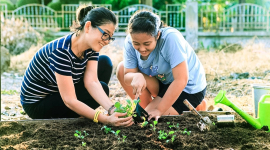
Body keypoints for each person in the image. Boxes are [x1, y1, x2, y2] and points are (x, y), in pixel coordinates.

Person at [20, 6, 133, 127]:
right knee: (103, 88)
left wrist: (112, 109)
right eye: (105, 34)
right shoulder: (61, 51)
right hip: (38, 104)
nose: (107, 41)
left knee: (104, 63)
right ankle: (79, 113)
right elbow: (70, 100)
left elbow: (92, 82)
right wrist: (103, 119)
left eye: (110, 37)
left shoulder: (91, 47)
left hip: (58, 92)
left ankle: (81, 112)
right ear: (88, 26)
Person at [116, 10, 207, 121]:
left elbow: (181, 79)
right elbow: (126, 75)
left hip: (188, 87)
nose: (142, 48)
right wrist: (135, 76)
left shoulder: (171, 39)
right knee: (121, 68)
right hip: (163, 81)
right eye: (136, 43)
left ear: (157, 35)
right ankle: (149, 107)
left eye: (147, 43)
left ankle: (197, 105)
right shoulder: (129, 42)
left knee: (152, 118)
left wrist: (159, 110)